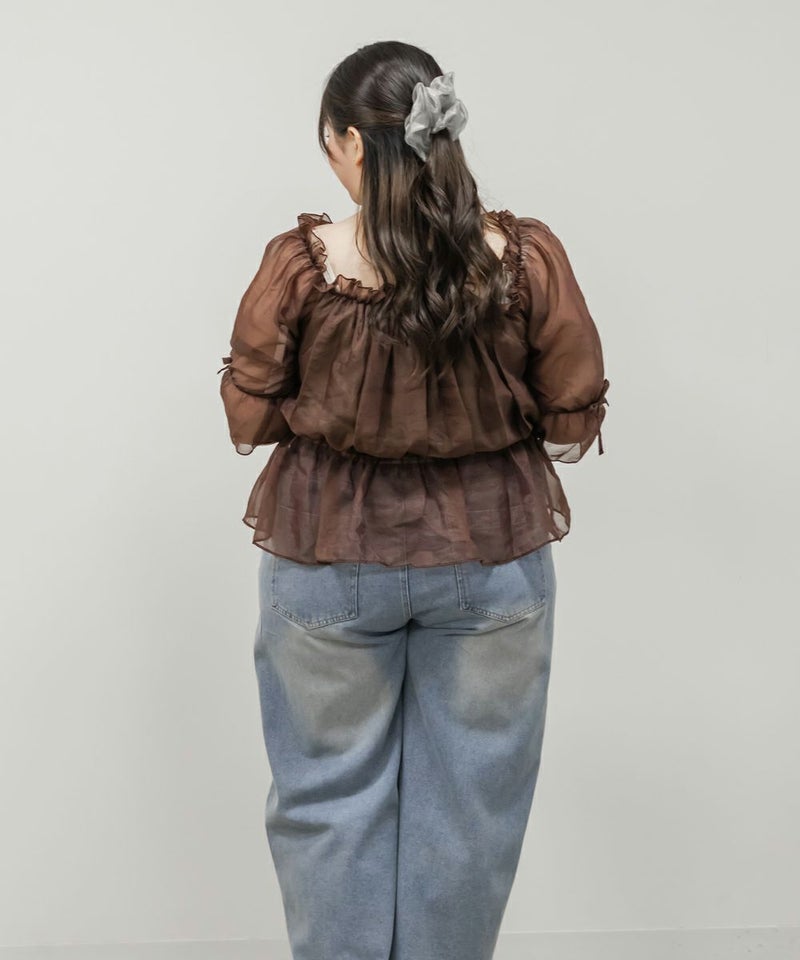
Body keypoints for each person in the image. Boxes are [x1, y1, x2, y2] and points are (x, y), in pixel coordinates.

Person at [218, 40, 610, 960]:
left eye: (329, 141)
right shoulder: (522, 257)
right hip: (491, 553)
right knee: (472, 808)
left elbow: (252, 411)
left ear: (352, 143)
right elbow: (570, 410)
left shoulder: (303, 263)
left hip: (327, 553)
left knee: (325, 799)